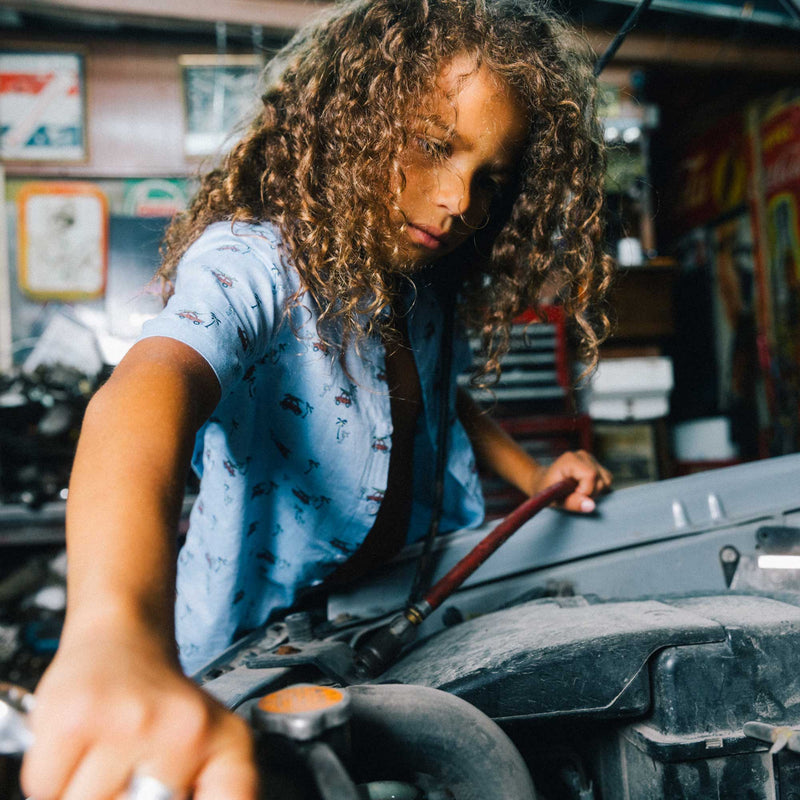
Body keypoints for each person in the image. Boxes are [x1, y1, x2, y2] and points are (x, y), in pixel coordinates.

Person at [22, 0, 614, 797]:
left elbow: (439, 405)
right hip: (240, 655)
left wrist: (532, 470)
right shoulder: (254, 263)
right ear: (352, 123)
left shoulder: (423, 285)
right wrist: (114, 635)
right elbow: (143, 394)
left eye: (488, 178)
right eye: (434, 146)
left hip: (389, 618)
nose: (457, 199)